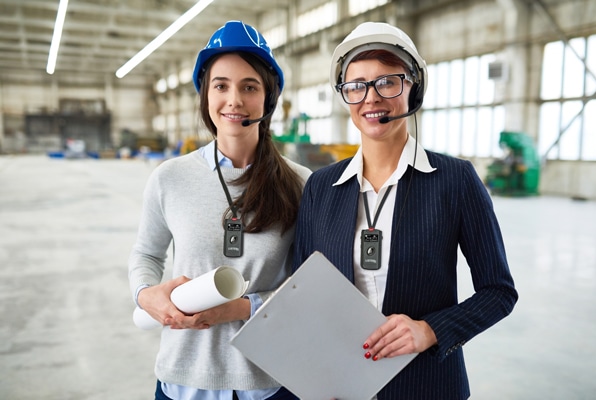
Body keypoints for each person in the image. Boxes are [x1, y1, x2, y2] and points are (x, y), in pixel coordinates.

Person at [292, 22, 518, 399]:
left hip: (427, 384)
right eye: (356, 85)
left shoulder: (456, 180)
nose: (371, 98)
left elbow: (499, 292)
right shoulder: (321, 187)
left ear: (413, 88)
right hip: (340, 385)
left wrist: (429, 329)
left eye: (387, 82)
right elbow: (301, 291)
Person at [128, 20, 311, 400]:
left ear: (268, 98)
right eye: (221, 85)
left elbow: (311, 284)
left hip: (269, 383)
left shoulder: (301, 184)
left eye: (249, 86)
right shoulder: (170, 178)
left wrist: (242, 307)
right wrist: (146, 295)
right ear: (205, 95)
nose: (234, 100)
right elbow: (146, 253)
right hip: (184, 382)